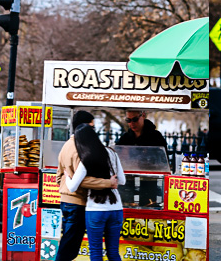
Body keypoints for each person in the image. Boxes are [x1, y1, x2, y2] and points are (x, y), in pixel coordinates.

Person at [56, 111, 118, 261]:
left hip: (67, 200)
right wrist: (108, 183)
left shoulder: (66, 145)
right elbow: (80, 181)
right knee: (69, 246)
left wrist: (65, 187)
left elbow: (59, 176)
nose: (94, 131)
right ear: (83, 127)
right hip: (77, 201)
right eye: (91, 127)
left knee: (69, 243)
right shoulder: (79, 148)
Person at [66, 124, 125, 261]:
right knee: (113, 253)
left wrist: (68, 177)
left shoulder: (86, 159)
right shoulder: (112, 153)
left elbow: (72, 187)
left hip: (96, 210)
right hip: (116, 209)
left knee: (96, 253)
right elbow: (122, 180)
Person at [116, 110, 167, 206]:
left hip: (150, 183)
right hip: (128, 184)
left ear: (143, 115)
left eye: (135, 119)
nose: (132, 123)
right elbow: (118, 157)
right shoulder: (125, 138)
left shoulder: (156, 137)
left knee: (149, 209)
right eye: (129, 120)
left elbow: (163, 160)